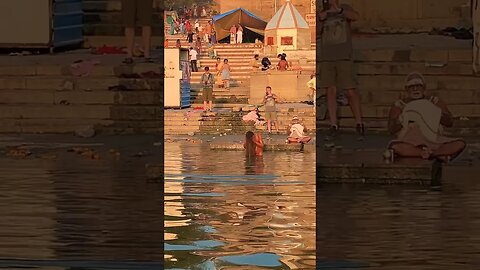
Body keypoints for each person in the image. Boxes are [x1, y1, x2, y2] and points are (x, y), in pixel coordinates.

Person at [387, 72, 466, 162]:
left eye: (418, 86)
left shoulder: (434, 101)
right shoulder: (399, 105)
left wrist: (434, 112)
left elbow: (449, 123)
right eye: (411, 87)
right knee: (395, 147)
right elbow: (391, 129)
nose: (415, 89)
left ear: (424, 88)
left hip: (433, 140)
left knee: (460, 143)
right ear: (406, 89)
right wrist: (403, 118)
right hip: (410, 141)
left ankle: (429, 153)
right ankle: (433, 154)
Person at [319, 0, 364, 139]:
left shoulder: (344, 9)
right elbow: (314, 31)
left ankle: (359, 123)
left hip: (344, 56)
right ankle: (334, 124)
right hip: (327, 57)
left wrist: (339, 11)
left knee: (350, 90)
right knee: (330, 91)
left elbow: (356, 16)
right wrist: (322, 18)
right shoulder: (321, 13)